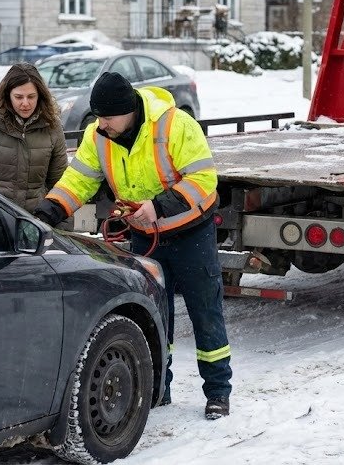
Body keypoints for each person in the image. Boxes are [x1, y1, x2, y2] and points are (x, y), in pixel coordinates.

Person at [33, 71, 232, 420]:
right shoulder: (99, 136)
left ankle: (217, 392)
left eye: (108, 117)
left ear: (129, 111)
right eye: (98, 117)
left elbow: (204, 180)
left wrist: (158, 206)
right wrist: (49, 210)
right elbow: (79, 179)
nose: (102, 124)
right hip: (145, 235)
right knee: (155, 316)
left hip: (190, 234)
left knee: (206, 312)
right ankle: (160, 389)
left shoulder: (175, 125)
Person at [0, 62, 67, 212]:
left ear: (40, 96)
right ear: (7, 95)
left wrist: (61, 227)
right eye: (18, 97)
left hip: (34, 222)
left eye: (31, 97)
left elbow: (60, 185)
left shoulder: (52, 127)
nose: (25, 103)